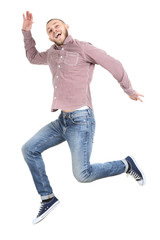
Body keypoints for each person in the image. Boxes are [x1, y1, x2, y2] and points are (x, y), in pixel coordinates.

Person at [21, 11, 145, 224]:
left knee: (83, 174)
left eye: (57, 26)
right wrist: (26, 32)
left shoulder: (82, 47)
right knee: (29, 149)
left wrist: (129, 90)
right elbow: (32, 57)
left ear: (66, 26)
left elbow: (113, 64)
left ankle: (126, 164)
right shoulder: (51, 53)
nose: (54, 30)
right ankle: (48, 198)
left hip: (81, 120)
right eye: (49, 30)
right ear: (49, 37)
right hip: (62, 121)